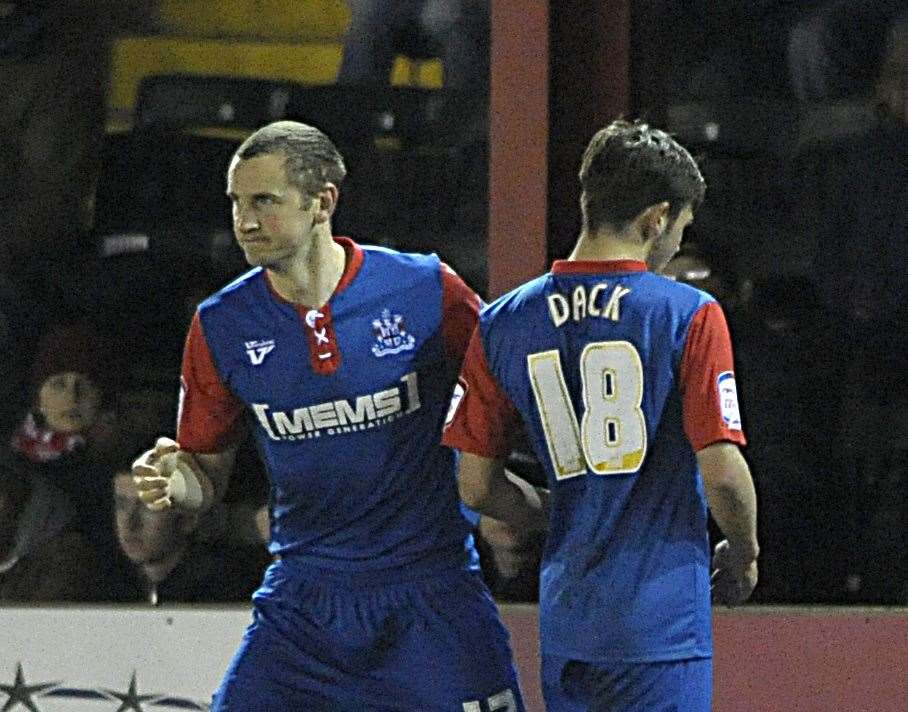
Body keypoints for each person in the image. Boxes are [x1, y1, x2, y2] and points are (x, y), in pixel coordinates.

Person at [131, 120, 524, 711]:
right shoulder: (221, 325)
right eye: (236, 202)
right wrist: (177, 484)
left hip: (432, 595)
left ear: (323, 202)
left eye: (264, 200)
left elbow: (505, 396)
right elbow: (206, 479)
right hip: (304, 606)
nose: (244, 220)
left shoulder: (425, 289)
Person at [443, 119, 760, 711]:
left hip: (568, 620)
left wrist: (554, 512)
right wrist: (743, 553)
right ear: (656, 219)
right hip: (660, 627)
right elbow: (722, 473)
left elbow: (476, 485)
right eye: (680, 228)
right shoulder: (688, 314)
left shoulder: (504, 321)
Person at [112, 469, 269, 605]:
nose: (130, 523)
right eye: (122, 505)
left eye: (149, 506)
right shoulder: (110, 585)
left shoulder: (226, 590)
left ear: (188, 519)